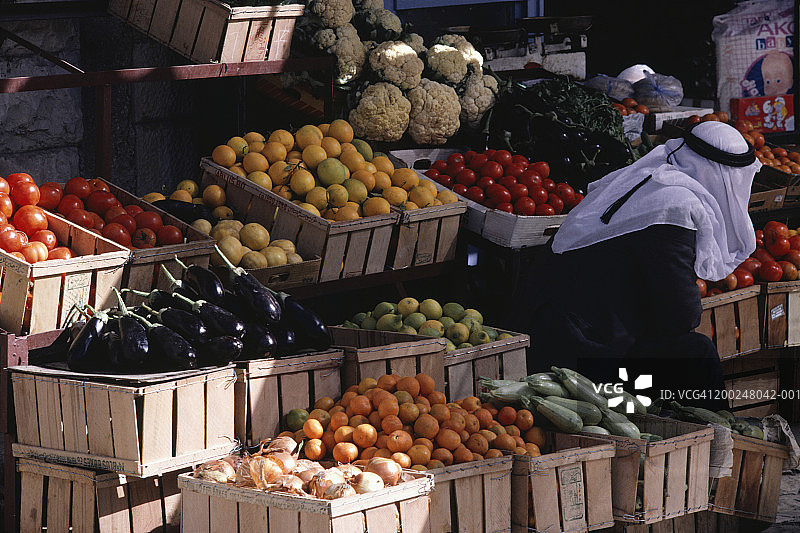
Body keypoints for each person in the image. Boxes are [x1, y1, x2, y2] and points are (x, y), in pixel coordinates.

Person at [511, 121, 761, 410]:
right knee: (696, 352)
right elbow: (679, 316)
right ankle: (719, 445)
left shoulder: (644, 178)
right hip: (576, 357)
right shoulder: (675, 208)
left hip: (552, 330)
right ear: (725, 176)